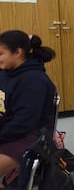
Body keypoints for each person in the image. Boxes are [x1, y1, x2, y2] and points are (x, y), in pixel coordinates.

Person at [0, 30, 56, 188]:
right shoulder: (6, 72)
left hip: (28, 138)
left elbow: (24, 123)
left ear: (18, 52)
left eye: (0, 54)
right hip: (8, 130)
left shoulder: (33, 80)